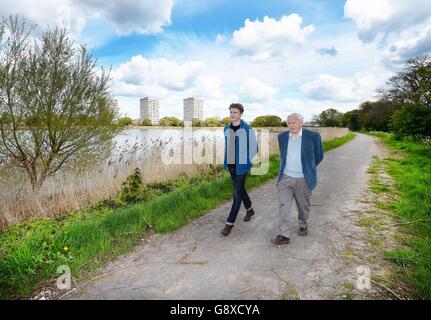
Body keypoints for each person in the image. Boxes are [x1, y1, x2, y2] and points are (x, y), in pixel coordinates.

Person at [272, 113, 324, 245]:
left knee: (303, 206)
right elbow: (283, 156)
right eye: (289, 123)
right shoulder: (282, 137)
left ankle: (303, 224)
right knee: (284, 205)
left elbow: (319, 155)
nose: (291, 125)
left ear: (301, 123)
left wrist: (308, 168)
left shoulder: (313, 136)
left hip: (303, 179)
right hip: (286, 178)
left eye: (294, 122)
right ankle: (284, 235)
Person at [221, 103, 258, 236]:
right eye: (231, 112)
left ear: (241, 114)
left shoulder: (247, 129)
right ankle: (250, 210)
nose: (232, 114)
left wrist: (243, 159)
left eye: (235, 112)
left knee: (236, 193)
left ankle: (229, 224)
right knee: (240, 189)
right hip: (231, 166)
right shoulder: (226, 128)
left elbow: (254, 149)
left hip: (242, 167)